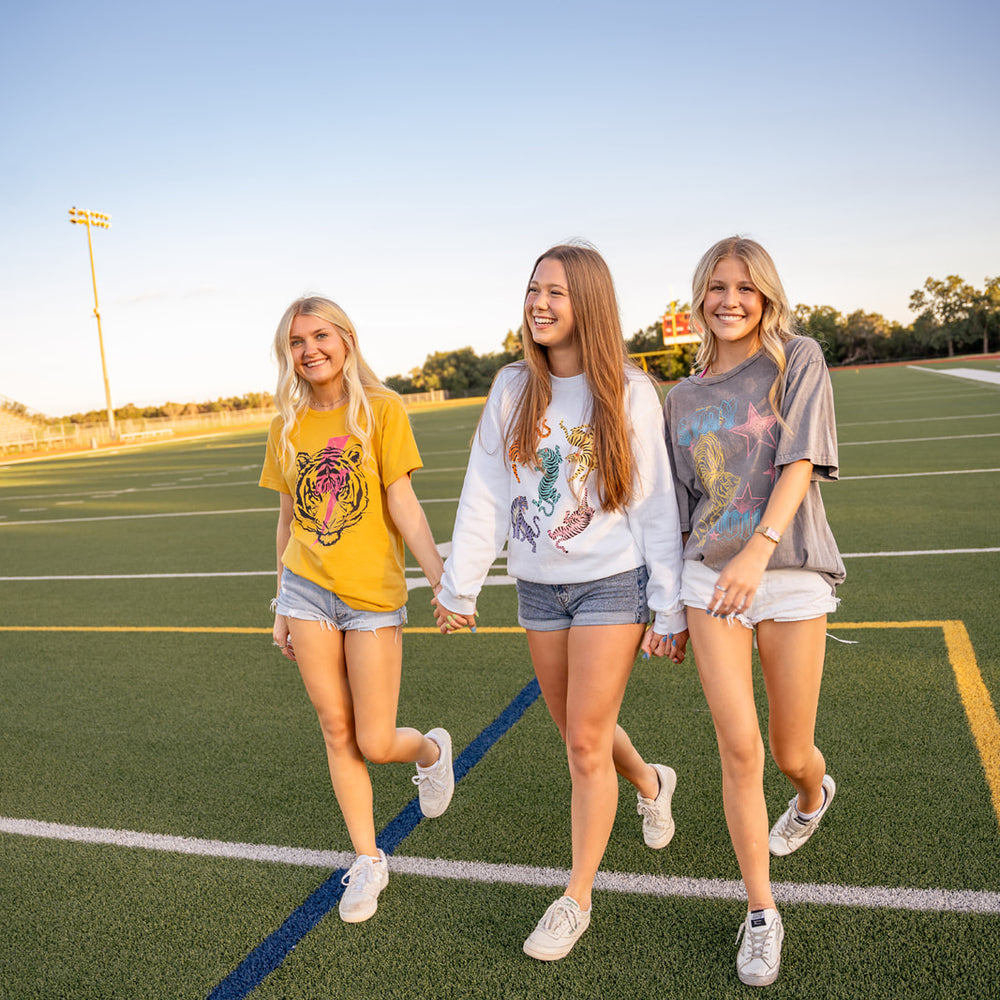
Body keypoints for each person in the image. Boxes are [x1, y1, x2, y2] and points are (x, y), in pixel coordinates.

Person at [433, 244, 688, 961]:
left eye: (555, 292)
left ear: (589, 304)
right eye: (532, 290)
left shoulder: (631, 392)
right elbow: (485, 491)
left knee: (582, 739)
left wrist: (666, 607)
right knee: (584, 731)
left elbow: (656, 506)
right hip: (538, 586)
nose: (538, 303)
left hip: (613, 581)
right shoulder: (513, 387)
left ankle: (575, 897)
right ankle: (649, 778)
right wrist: (462, 586)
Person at [646, 236, 845, 986]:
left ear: (765, 294)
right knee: (740, 751)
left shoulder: (798, 359)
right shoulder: (682, 398)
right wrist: (664, 609)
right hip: (708, 585)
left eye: (744, 287)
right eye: (716, 288)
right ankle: (761, 912)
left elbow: (799, 459)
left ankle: (811, 792)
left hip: (788, 571)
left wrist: (760, 548)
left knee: (792, 754)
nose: (730, 300)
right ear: (700, 298)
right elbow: (675, 510)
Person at [259, 296, 455, 924]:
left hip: (371, 599)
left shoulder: (383, 410)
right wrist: (280, 601)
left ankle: (428, 753)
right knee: (335, 729)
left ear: (345, 339)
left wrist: (439, 578)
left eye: (320, 335)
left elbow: (403, 502)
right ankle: (368, 859)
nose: (309, 349)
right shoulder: (286, 424)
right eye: (297, 341)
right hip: (306, 592)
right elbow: (289, 516)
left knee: (374, 739)